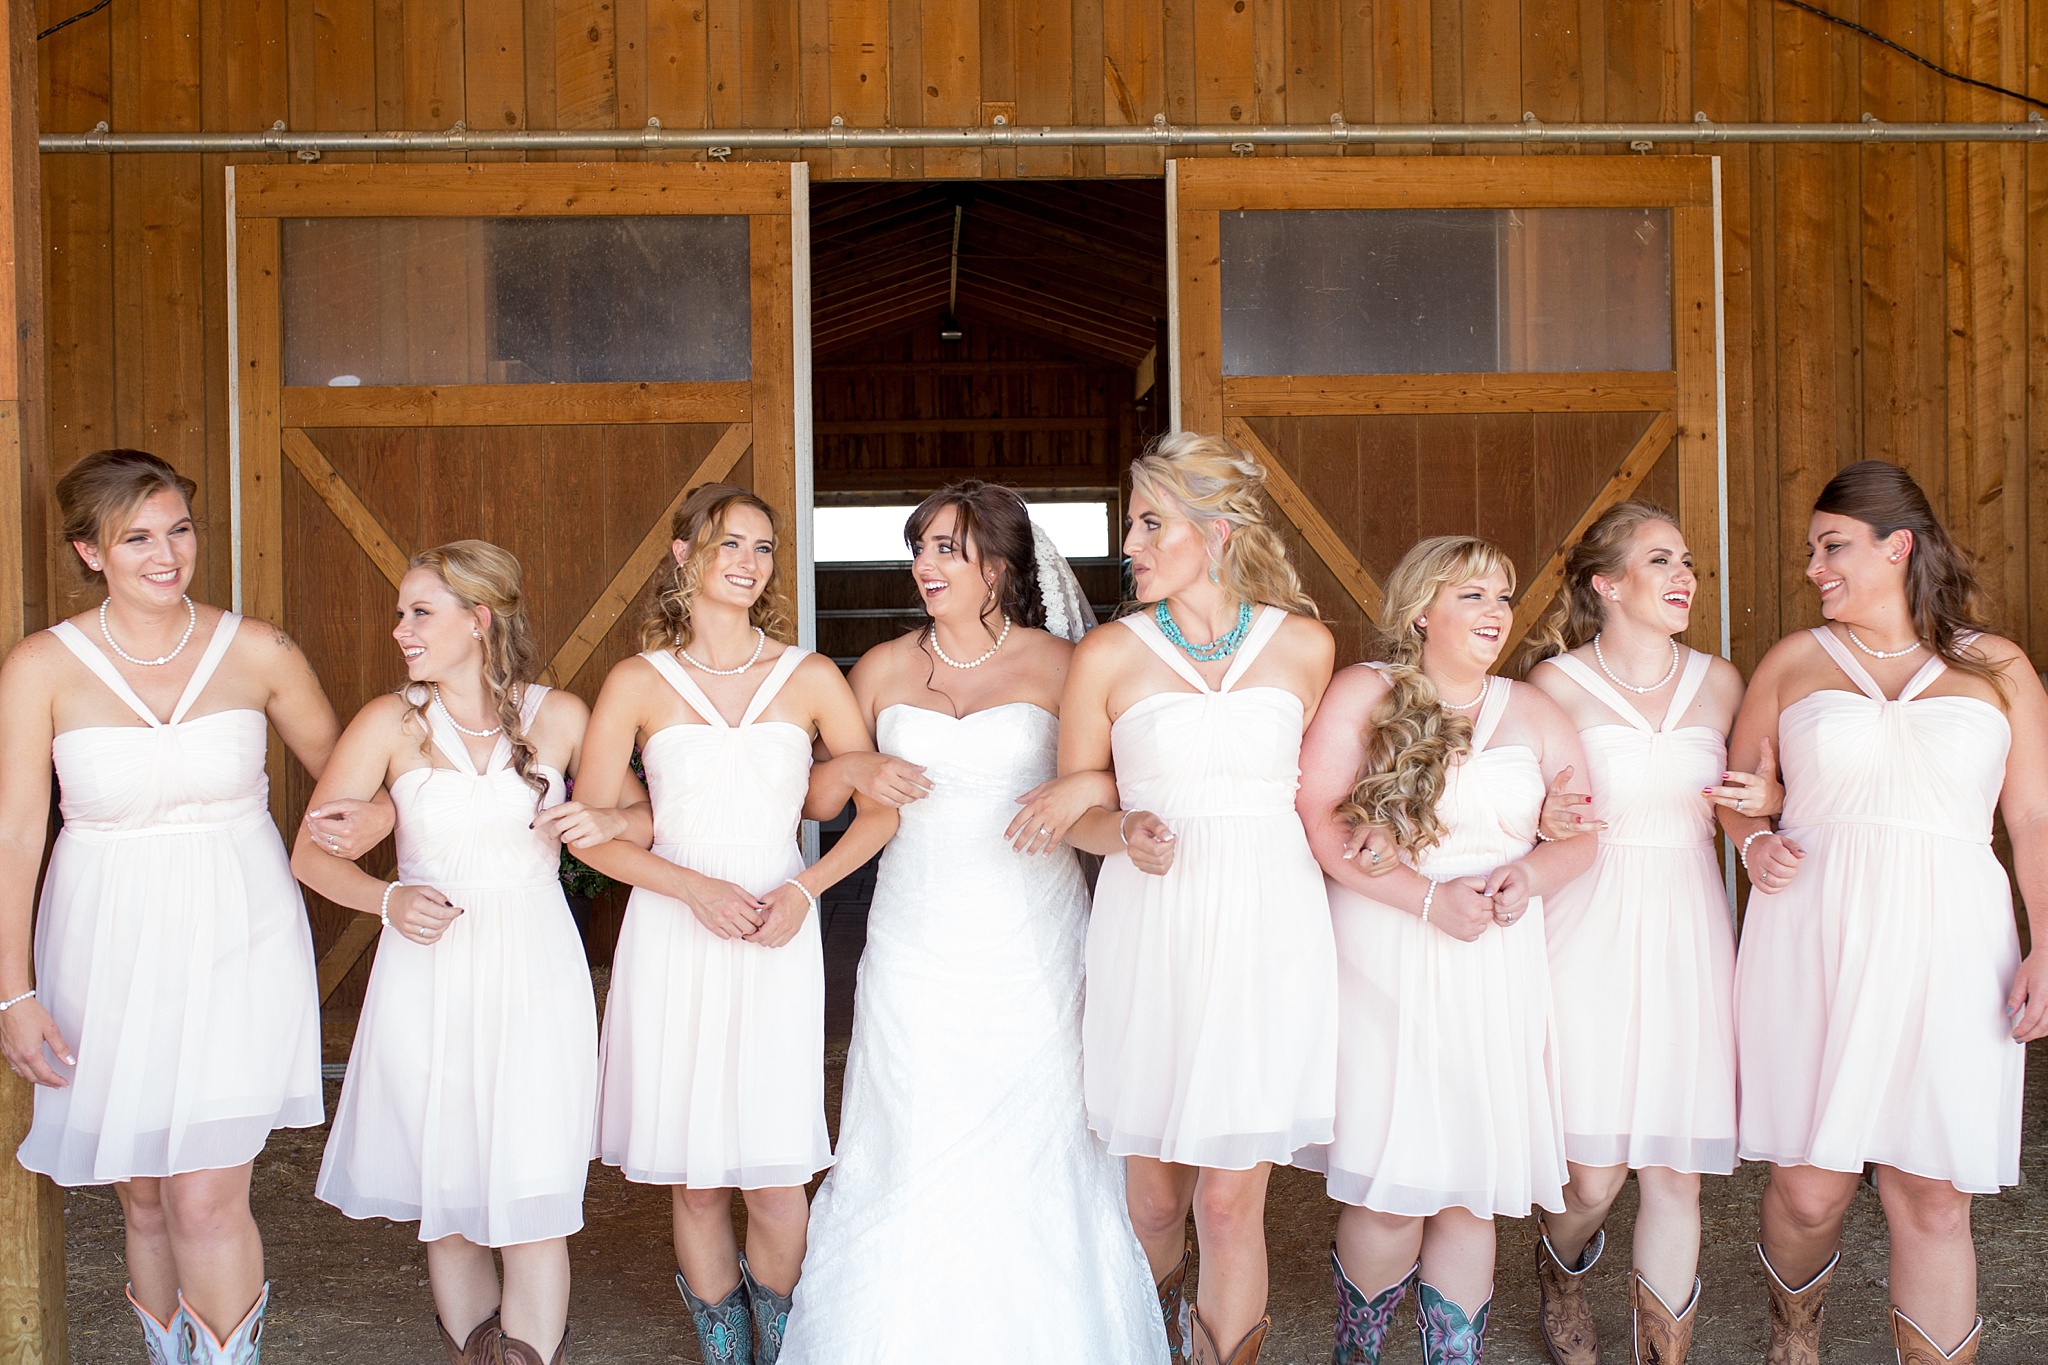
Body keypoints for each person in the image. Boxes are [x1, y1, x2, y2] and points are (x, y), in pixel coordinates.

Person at [0, 450, 387, 1363]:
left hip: (238, 936)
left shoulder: (259, 650)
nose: (166, 553)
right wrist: (12, 992)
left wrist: (385, 809)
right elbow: (18, 835)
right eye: (136, 536)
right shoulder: (41, 666)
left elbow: (357, 776)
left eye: (179, 528)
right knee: (142, 1195)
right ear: (90, 552)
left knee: (206, 1193)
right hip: (103, 943)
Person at [778, 482, 1166, 1364]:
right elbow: (814, 792)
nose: (924, 566)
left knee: (1042, 1132)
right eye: (920, 548)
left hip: (1032, 934)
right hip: (916, 932)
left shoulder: (1063, 663)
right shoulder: (877, 669)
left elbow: (1130, 775)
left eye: (946, 549)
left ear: (998, 564)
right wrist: (861, 767)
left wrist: (1084, 788)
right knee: (907, 1128)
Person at [1721, 460, 2048, 1365]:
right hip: (1813, 934)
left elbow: (2032, 816)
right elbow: (1735, 790)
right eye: (1811, 551)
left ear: (1897, 545)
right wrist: (1752, 838)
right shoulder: (1794, 661)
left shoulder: (1999, 667)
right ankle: (1795, 1335)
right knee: (1808, 1191)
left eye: (1833, 547)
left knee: (1934, 1195)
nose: (1815, 567)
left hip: (1952, 942)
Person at [294, 541, 648, 1365]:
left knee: (533, 1197)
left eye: (420, 611)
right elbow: (313, 855)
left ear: (478, 618)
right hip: (429, 970)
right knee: (448, 1204)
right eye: (402, 612)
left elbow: (639, 815)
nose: (400, 629)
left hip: (534, 967)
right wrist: (386, 897)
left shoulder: (560, 715)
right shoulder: (389, 721)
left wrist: (603, 824)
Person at [570, 484, 897, 1365]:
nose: (749, 563)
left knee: (779, 1170)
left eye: (762, 548)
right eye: (730, 545)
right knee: (698, 1171)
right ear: (683, 557)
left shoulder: (811, 675)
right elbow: (591, 831)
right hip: (675, 934)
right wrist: (691, 887)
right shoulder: (638, 681)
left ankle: (783, 1343)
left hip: (774, 932)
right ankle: (725, 1350)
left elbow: (876, 812)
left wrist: (805, 889)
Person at [1062, 434, 1338, 1365]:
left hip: (1268, 927)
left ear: (1215, 532)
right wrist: (1121, 830)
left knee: (1228, 1199)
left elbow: (1332, 798)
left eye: (1149, 523)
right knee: (1152, 1199)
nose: (1128, 544)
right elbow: (1076, 808)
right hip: (1156, 927)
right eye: (1129, 524)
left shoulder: (1304, 645)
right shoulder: (1106, 654)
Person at [1294, 535, 1594, 1365]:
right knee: (1396, 1183)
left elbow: (1581, 834)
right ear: (1421, 609)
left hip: (1494, 964)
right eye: (1473, 595)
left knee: (1470, 1187)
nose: (1496, 612)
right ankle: (1357, 1349)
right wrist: (1426, 899)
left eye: (1503, 596)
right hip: (1389, 948)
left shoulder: (1533, 709)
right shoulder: (1367, 691)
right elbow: (1321, 818)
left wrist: (1530, 875)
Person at [1517, 501, 1773, 1365]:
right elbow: (1522, 806)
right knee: (1593, 1173)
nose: (1684, 576)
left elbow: (1743, 803)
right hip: (1585, 923)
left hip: (1688, 925)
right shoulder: (1554, 684)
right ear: (1607, 583)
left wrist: (1765, 820)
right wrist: (1539, 814)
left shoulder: (1722, 681)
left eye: (1688, 561)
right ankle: (1559, 1267)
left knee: (1674, 1166)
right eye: (1661, 561)